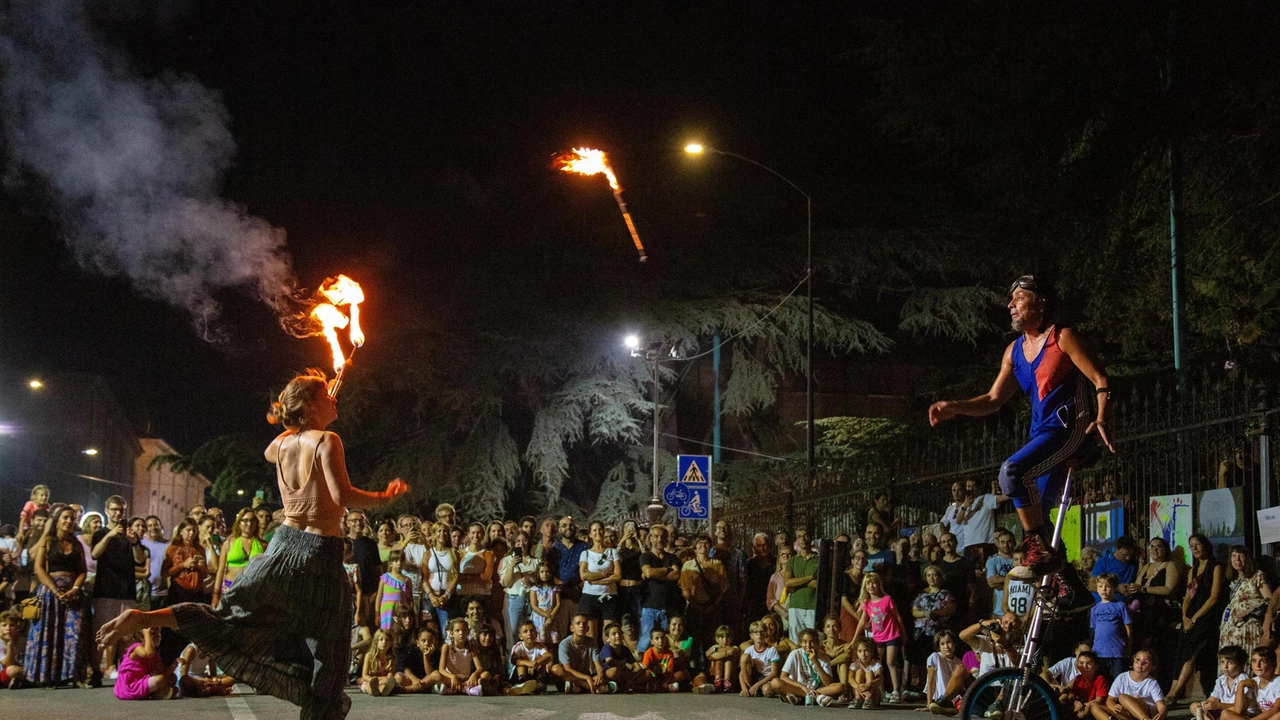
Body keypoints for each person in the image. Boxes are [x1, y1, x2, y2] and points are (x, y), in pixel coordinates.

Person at [94, 369, 409, 720]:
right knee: (331, 657)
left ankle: (143, 617)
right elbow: (341, 496)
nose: (335, 398)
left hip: (281, 547)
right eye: (327, 395)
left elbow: (272, 448)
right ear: (309, 404)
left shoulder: (280, 444)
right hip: (320, 555)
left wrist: (295, 419)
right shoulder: (328, 441)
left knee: (229, 617)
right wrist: (384, 498)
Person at [929, 275, 1114, 579]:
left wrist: (1102, 416)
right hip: (1043, 438)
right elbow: (992, 399)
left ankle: (1036, 546)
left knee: (1011, 472)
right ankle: (1069, 588)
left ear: (1041, 303)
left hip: (1071, 433)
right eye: (1011, 299)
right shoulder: (1014, 352)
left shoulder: (1063, 337)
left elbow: (1101, 379)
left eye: (1019, 297)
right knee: (1039, 513)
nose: (1010, 304)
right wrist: (955, 407)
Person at [22, 505, 86, 687]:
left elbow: (81, 570)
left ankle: (71, 675)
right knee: (49, 632)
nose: (69, 521)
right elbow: (39, 568)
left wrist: (75, 588)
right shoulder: (48, 541)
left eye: (72, 518)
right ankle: (47, 675)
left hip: (72, 594)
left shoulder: (76, 543)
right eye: (65, 517)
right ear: (57, 520)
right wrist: (55, 590)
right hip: (51, 592)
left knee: (73, 633)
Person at [1169, 534, 1226, 701]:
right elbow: (1187, 597)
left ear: (1206, 545)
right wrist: (1185, 616)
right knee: (1181, 652)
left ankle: (1176, 691)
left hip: (1206, 616)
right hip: (1190, 617)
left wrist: (1195, 617)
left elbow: (1214, 597)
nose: (1194, 548)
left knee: (1192, 653)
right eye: (1191, 545)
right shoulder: (1192, 570)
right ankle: (1171, 691)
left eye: (1197, 544)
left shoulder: (1216, 566)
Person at [91, 494, 138, 686]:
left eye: (121, 510)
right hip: (106, 588)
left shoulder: (129, 535)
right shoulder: (101, 533)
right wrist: (110, 535)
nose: (118, 513)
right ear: (107, 511)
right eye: (114, 509)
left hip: (127, 589)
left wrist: (134, 541)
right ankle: (95, 671)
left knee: (126, 634)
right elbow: (95, 554)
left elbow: (141, 558)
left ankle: (125, 670)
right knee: (101, 631)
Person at [1124, 537, 1182, 687]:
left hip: (1159, 613)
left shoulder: (1170, 566)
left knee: (1158, 649)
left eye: (1159, 547)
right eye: (1152, 547)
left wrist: (1144, 589)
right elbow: (1137, 584)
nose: (1155, 550)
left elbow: (1169, 588)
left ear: (1165, 549)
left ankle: (1160, 685)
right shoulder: (1146, 567)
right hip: (1143, 614)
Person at [853, 571, 907, 702]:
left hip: (891, 635)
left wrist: (903, 633)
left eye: (873, 583)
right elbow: (862, 620)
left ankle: (895, 691)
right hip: (877, 637)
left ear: (879, 584)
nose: (871, 586)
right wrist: (854, 638)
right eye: (868, 584)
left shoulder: (886, 599)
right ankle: (881, 691)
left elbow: (897, 616)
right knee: (877, 664)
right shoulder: (867, 602)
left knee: (890, 662)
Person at [680, 533, 728, 655]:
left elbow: (723, 587)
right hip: (694, 608)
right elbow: (685, 589)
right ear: (695, 546)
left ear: (710, 546)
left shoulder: (717, 564)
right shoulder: (688, 565)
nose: (703, 546)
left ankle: (710, 669)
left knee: (711, 640)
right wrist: (696, 606)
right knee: (694, 640)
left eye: (706, 543)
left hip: (713, 608)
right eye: (700, 543)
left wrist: (713, 605)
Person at [773, 627, 843, 706]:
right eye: (805, 642)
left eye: (811, 642)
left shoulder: (824, 657)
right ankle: (817, 697)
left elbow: (828, 683)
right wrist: (801, 686)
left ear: (817, 642)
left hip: (818, 689)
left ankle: (801, 697)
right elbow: (783, 676)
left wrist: (816, 662)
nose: (808, 645)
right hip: (798, 688)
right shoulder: (795, 654)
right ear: (800, 643)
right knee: (775, 682)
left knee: (840, 687)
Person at [1220, 546, 1271, 653]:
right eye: (1234, 556)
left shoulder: (1257, 575)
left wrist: (1248, 611)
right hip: (1231, 630)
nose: (1237, 560)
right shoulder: (1234, 580)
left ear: (1247, 558)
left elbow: (1269, 600)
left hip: (1248, 627)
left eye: (1241, 556)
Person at [639, 525, 681, 653]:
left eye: (662, 537)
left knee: (666, 642)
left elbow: (677, 575)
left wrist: (656, 574)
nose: (659, 539)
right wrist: (667, 570)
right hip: (650, 606)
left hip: (668, 607)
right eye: (656, 536)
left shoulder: (672, 557)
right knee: (646, 640)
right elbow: (648, 573)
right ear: (650, 538)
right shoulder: (645, 557)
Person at [1093, 650, 1167, 720]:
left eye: (1145, 662)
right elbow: (1110, 699)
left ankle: (1145, 719)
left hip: (1145, 711)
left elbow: (1161, 705)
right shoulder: (1122, 677)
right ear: (1133, 660)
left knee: (1122, 697)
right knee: (1095, 707)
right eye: (1138, 660)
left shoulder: (1152, 683)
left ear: (1152, 667)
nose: (1140, 663)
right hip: (1127, 712)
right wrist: (1114, 706)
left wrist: (1161, 714)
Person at [911, 564, 957, 672]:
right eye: (929, 575)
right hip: (921, 632)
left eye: (934, 575)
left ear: (939, 577)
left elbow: (950, 609)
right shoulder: (921, 593)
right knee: (922, 659)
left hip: (938, 630)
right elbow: (914, 611)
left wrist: (935, 614)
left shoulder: (946, 594)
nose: (931, 578)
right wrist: (925, 613)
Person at [579, 520, 621, 639]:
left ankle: (607, 657)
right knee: (591, 636)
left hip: (609, 596)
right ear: (590, 534)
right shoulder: (585, 554)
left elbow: (617, 576)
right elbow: (584, 576)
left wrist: (595, 579)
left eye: (600, 529)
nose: (598, 532)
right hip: (590, 596)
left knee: (609, 635)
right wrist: (605, 574)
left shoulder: (612, 552)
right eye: (594, 530)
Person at [1190, 645, 1254, 720]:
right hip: (1223, 710)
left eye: (1230, 663)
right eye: (1222, 662)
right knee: (1193, 706)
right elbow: (1212, 699)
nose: (1225, 666)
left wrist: (1218, 705)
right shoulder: (1221, 679)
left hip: (1242, 713)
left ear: (1241, 666)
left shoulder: (1244, 679)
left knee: (1226, 713)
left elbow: (1241, 708)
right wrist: (1204, 704)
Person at [552, 614, 612, 694]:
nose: (581, 626)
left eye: (584, 624)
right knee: (556, 668)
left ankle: (582, 687)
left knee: (612, 671)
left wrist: (600, 674)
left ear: (587, 628)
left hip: (585, 675)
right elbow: (567, 669)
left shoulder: (592, 642)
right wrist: (586, 678)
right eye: (578, 623)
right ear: (572, 628)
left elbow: (598, 665)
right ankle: (589, 687)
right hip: (571, 677)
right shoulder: (564, 644)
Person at [113, 628, 174, 700]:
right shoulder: (137, 648)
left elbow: (163, 673)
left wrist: (174, 665)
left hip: (141, 682)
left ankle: (155, 693)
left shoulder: (155, 654)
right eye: (153, 633)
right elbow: (148, 653)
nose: (158, 636)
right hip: (130, 686)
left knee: (172, 677)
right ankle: (155, 693)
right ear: (142, 637)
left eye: (159, 633)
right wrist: (147, 633)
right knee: (161, 679)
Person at [782, 528, 820, 642]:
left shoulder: (818, 559)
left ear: (811, 538)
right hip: (795, 606)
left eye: (805, 535)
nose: (803, 539)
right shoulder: (792, 561)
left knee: (812, 639)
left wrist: (797, 581)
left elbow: (817, 584)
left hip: (812, 605)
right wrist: (809, 577)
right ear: (796, 540)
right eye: (799, 536)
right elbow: (788, 583)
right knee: (795, 640)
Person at [1091, 573, 1132, 680]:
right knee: (1101, 680)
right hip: (1099, 652)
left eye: (1108, 586)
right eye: (1100, 586)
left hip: (1117, 651)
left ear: (1114, 589)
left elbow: (1128, 627)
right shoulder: (1094, 609)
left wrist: (1128, 646)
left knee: (1117, 680)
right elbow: (1094, 629)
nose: (1104, 589)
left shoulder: (1120, 605)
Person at [499, 530, 538, 640]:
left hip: (532, 598)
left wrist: (531, 579)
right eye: (518, 541)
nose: (521, 544)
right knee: (514, 631)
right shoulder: (507, 560)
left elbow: (542, 580)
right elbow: (505, 583)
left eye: (524, 540)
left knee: (533, 630)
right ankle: (515, 654)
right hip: (515, 598)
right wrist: (511, 567)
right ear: (514, 544)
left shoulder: (536, 561)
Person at [346, 510, 382, 628]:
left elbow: (378, 569)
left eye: (361, 520)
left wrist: (377, 592)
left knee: (368, 627)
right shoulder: (343, 542)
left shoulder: (371, 544)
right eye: (354, 520)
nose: (358, 523)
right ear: (347, 523)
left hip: (368, 594)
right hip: (349, 595)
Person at [711, 520, 747, 638]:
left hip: (732, 600)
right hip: (714, 599)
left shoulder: (738, 554)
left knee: (733, 632)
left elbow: (742, 580)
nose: (722, 530)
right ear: (715, 532)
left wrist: (740, 600)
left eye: (725, 527)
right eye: (719, 527)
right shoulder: (711, 552)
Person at [162, 519, 209, 606]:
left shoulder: (200, 549)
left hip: (197, 592)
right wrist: (183, 565)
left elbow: (205, 574)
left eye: (194, 531)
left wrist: (201, 567)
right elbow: (165, 573)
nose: (191, 533)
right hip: (179, 591)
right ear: (181, 531)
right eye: (188, 530)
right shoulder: (173, 548)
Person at [920, 630, 964, 716]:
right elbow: (931, 682)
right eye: (942, 644)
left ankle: (953, 709)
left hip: (957, 698)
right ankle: (946, 707)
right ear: (938, 646)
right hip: (942, 698)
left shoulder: (959, 661)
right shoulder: (935, 657)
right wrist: (929, 704)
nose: (946, 646)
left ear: (954, 643)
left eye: (949, 642)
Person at [424, 522, 458, 632]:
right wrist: (431, 596)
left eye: (445, 531)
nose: (442, 534)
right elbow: (424, 578)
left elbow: (456, 576)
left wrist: (447, 595)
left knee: (446, 631)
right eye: (439, 531)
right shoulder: (428, 553)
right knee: (429, 630)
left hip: (446, 598)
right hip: (430, 598)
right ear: (434, 534)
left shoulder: (453, 553)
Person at [439, 618, 484, 695]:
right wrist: (453, 677)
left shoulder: (471, 647)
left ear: (468, 632)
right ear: (451, 633)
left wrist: (474, 675)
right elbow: (441, 669)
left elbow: (479, 667)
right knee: (436, 676)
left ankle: (455, 689)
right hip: (451, 678)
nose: (461, 633)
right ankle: (466, 690)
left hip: (465, 679)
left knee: (485, 675)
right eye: (457, 630)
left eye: (464, 630)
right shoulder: (446, 647)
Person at [1060, 651, 1108, 719]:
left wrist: (1082, 706)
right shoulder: (1078, 678)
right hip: (1079, 707)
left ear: (1096, 667)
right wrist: (1076, 702)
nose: (1084, 666)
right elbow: (1071, 696)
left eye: (1089, 663)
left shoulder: (1100, 679)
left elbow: (1099, 700)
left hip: (1092, 708)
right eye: (1081, 663)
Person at [508, 619, 552, 693]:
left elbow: (548, 656)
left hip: (533, 672)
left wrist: (536, 663)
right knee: (521, 663)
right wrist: (528, 663)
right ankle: (522, 681)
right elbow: (513, 659)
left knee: (542, 662)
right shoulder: (518, 646)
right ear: (520, 636)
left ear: (536, 633)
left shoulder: (540, 646)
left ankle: (539, 683)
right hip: (519, 674)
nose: (529, 634)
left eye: (532, 631)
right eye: (525, 632)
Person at [738, 619, 781, 697]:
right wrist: (743, 687)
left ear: (765, 634)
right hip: (753, 676)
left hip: (766, 678)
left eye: (762, 632)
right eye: (756, 632)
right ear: (751, 636)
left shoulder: (772, 650)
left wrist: (758, 685)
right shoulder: (749, 650)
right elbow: (741, 672)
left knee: (768, 691)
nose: (759, 635)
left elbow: (774, 673)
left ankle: (757, 690)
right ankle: (749, 688)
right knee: (744, 657)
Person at [1235, 647, 1280, 720]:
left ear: (1273, 665)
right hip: (1259, 717)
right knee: (1226, 713)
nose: (1257, 665)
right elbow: (1239, 710)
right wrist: (1240, 685)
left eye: (1263, 661)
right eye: (1254, 661)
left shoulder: (1278, 681)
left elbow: (1277, 708)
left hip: (1272, 717)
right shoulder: (1253, 682)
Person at [600, 621, 644, 692]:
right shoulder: (607, 648)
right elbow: (609, 661)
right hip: (609, 673)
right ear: (607, 638)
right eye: (614, 634)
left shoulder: (624, 649)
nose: (617, 636)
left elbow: (637, 666)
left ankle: (623, 685)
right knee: (614, 671)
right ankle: (612, 685)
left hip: (623, 673)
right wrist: (624, 668)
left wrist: (634, 671)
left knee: (645, 673)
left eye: (619, 633)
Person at [396, 626, 441, 694]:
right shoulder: (412, 651)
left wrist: (426, 656)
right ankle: (420, 688)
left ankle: (407, 689)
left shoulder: (437, 654)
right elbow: (405, 668)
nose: (427, 643)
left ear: (436, 642)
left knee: (436, 675)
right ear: (418, 643)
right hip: (414, 680)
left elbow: (430, 674)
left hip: (428, 682)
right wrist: (414, 679)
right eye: (423, 641)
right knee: (398, 677)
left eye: (431, 641)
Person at [375, 549, 412, 632]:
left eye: (401, 561)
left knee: (399, 631)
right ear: (390, 563)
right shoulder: (385, 578)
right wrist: (377, 614)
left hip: (400, 611)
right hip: (387, 611)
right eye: (396, 561)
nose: (399, 563)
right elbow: (379, 597)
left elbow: (410, 599)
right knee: (387, 632)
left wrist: (409, 612)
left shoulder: (407, 580)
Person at [643, 625, 687, 693]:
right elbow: (645, 668)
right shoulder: (648, 653)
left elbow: (670, 671)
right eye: (657, 638)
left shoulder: (669, 653)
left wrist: (665, 682)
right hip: (653, 677)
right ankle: (665, 688)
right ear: (652, 641)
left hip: (665, 677)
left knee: (679, 674)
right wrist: (653, 676)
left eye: (662, 638)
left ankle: (662, 687)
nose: (660, 641)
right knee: (646, 674)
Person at [695, 624, 737, 693]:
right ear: (717, 639)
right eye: (722, 637)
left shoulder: (734, 647)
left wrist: (718, 652)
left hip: (732, 676)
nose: (725, 640)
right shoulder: (714, 647)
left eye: (728, 637)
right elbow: (708, 655)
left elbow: (733, 652)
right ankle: (718, 681)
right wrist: (726, 653)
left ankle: (727, 682)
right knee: (718, 660)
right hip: (714, 674)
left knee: (728, 659)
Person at [744, 532, 775, 626]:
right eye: (758, 546)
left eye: (764, 545)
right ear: (753, 548)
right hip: (753, 606)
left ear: (769, 546)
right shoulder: (748, 564)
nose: (762, 548)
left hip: (772, 605)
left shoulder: (777, 563)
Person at [848, 636, 886, 709]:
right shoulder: (855, 664)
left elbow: (880, 679)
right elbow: (850, 678)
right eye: (860, 651)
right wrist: (859, 688)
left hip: (873, 694)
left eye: (866, 651)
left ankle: (868, 700)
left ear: (872, 652)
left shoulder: (876, 665)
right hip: (859, 692)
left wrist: (868, 685)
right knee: (859, 672)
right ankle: (858, 699)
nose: (863, 654)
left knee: (869, 672)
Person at [528, 562, 561, 645]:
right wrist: (547, 615)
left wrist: (551, 617)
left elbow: (558, 604)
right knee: (539, 640)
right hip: (539, 617)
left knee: (553, 640)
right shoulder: (534, 589)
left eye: (547, 572)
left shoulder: (554, 589)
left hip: (552, 616)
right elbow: (534, 606)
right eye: (542, 572)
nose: (544, 574)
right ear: (538, 573)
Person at [985, 529, 1016, 616]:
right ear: (998, 544)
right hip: (999, 611)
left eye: (1009, 541)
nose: (1006, 545)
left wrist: (1002, 579)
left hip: (1018, 610)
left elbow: (1026, 582)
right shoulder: (992, 561)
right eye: (1002, 542)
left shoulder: (1020, 559)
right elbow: (992, 583)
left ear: (1014, 542)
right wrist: (1016, 583)